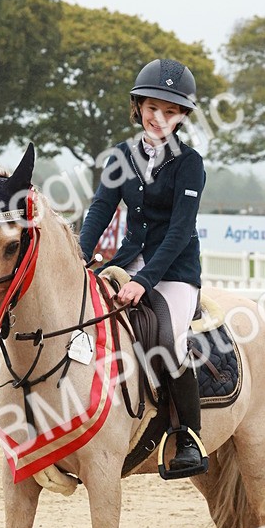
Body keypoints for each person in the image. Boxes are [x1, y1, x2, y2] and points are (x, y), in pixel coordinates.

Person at [78, 58, 208, 476]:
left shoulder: (190, 164)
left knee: (168, 340)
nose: (159, 118)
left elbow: (180, 230)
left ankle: (188, 436)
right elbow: (100, 210)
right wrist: (81, 256)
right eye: (153, 108)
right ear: (139, 106)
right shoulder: (121, 156)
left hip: (174, 272)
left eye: (170, 112)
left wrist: (143, 281)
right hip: (127, 261)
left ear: (182, 116)